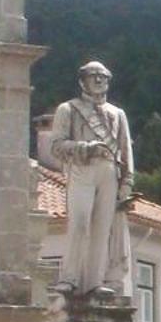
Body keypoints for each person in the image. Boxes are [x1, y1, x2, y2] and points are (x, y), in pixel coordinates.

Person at [48, 59, 134, 302]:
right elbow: (56, 146)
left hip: (109, 172)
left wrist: (127, 183)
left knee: (102, 229)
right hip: (82, 168)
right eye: (93, 76)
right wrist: (86, 147)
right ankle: (70, 278)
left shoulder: (118, 114)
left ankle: (95, 282)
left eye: (103, 76)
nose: (98, 80)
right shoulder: (69, 109)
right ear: (81, 81)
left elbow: (126, 151)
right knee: (80, 223)